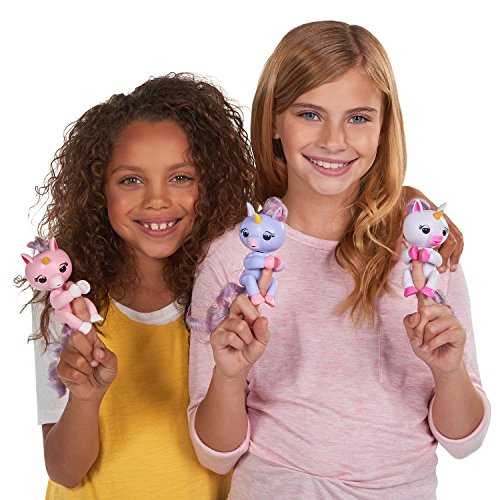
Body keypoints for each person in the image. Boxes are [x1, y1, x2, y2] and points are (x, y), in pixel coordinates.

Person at [187, 21, 490, 499]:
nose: (334, 140)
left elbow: (464, 441)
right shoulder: (233, 258)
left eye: (358, 118)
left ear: (384, 127)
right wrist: (229, 376)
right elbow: (215, 453)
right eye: (310, 114)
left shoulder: (423, 250)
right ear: (273, 122)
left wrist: (448, 372)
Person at [24, 73, 256, 499]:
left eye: (181, 177)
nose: (157, 200)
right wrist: (85, 399)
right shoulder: (69, 303)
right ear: (100, 191)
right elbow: (65, 471)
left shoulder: (231, 295)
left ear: (210, 183)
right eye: (131, 180)